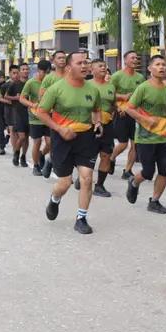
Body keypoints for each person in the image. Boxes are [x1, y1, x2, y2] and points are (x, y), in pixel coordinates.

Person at [37, 51, 104, 235]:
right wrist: (59, 129)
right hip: (62, 138)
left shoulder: (92, 89)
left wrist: (97, 122)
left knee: (87, 178)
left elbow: (97, 109)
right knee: (65, 182)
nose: (85, 66)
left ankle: (81, 218)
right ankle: (54, 199)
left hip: (86, 138)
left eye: (86, 63)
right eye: (80, 63)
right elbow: (41, 112)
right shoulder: (56, 89)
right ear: (68, 67)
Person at [124, 55, 166, 214]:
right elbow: (129, 108)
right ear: (150, 69)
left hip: (163, 137)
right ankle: (134, 182)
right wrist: (145, 119)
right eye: (158, 64)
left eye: (164, 65)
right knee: (148, 172)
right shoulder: (143, 88)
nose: (162, 67)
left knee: (164, 171)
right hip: (145, 138)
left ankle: (155, 201)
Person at [110, 50, 145, 179]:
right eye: (132, 58)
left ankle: (127, 171)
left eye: (136, 58)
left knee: (135, 144)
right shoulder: (117, 76)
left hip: (135, 114)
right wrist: (123, 98)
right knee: (123, 143)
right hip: (122, 113)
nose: (135, 60)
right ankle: (112, 158)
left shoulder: (140, 78)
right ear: (125, 60)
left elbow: (143, 95)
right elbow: (109, 94)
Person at [88, 59, 116, 196]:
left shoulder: (110, 86)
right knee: (89, 155)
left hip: (108, 125)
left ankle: (99, 185)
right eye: (100, 66)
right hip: (90, 126)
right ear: (92, 70)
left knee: (106, 155)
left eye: (105, 66)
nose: (103, 68)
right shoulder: (86, 85)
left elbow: (113, 103)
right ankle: (84, 178)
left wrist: (112, 113)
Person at [21, 60, 53, 176]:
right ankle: (35, 165)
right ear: (39, 71)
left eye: (50, 72)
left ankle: (41, 154)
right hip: (35, 117)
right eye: (46, 72)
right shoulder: (31, 83)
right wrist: (32, 104)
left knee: (50, 143)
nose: (48, 75)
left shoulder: (51, 82)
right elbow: (22, 98)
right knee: (37, 141)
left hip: (49, 117)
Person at [6, 63, 31, 168]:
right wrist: (16, 98)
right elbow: (6, 96)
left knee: (27, 138)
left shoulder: (31, 83)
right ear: (20, 71)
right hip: (18, 112)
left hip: (30, 113)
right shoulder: (14, 84)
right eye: (23, 69)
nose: (25, 71)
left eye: (27, 69)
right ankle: (16, 153)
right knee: (21, 137)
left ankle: (23, 156)